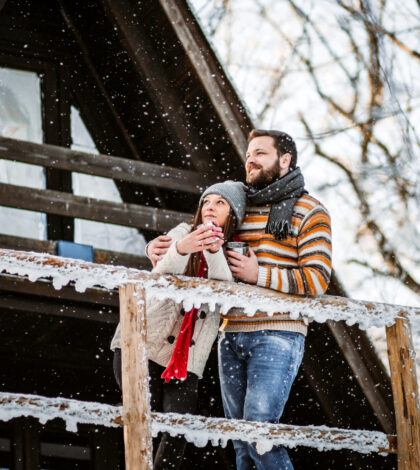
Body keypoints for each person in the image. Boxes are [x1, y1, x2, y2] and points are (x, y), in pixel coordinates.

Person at [147, 129, 332, 470]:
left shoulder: (310, 211)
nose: (251, 159)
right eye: (249, 153)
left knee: (260, 437)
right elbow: (199, 227)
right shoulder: (240, 206)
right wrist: (160, 247)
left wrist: (256, 275)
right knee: (241, 445)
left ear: (285, 160)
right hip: (230, 333)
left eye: (261, 153)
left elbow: (317, 280)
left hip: (278, 333)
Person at [111, 181, 246, 470]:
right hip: (141, 345)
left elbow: (224, 294)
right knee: (140, 421)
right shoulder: (182, 232)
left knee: (178, 430)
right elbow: (160, 272)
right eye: (206, 202)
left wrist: (212, 250)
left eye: (220, 203)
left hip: (186, 361)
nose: (210, 207)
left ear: (232, 214)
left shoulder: (232, 249)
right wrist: (182, 248)